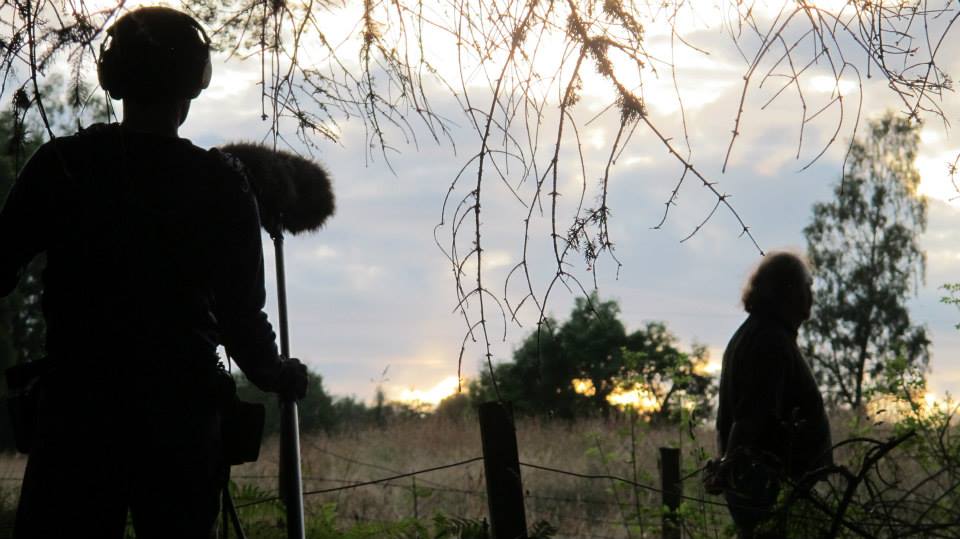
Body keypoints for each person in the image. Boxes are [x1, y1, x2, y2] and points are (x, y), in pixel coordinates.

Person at [0, 7, 307, 538]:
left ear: (112, 77)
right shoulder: (221, 183)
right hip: (181, 420)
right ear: (194, 82)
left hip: (77, 414)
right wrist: (276, 373)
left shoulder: (63, 165)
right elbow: (241, 317)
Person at [714, 252, 833, 538]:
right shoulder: (769, 342)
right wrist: (733, 471)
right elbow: (751, 418)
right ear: (786, 291)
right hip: (771, 496)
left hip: (777, 493)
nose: (811, 295)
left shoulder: (761, 334)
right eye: (807, 286)